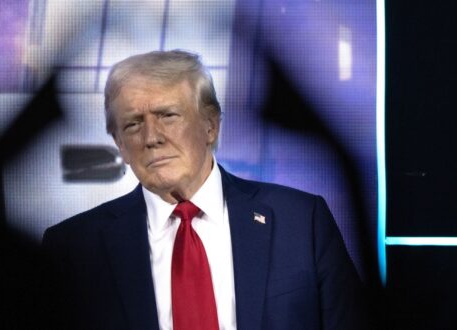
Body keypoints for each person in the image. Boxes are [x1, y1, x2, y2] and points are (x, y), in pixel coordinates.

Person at [42, 50, 367, 330]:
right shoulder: (73, 248)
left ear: (210, 126)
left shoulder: (300, 221)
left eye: (168, 116)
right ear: (120, 145)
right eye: (133, 124)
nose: (151, 137)